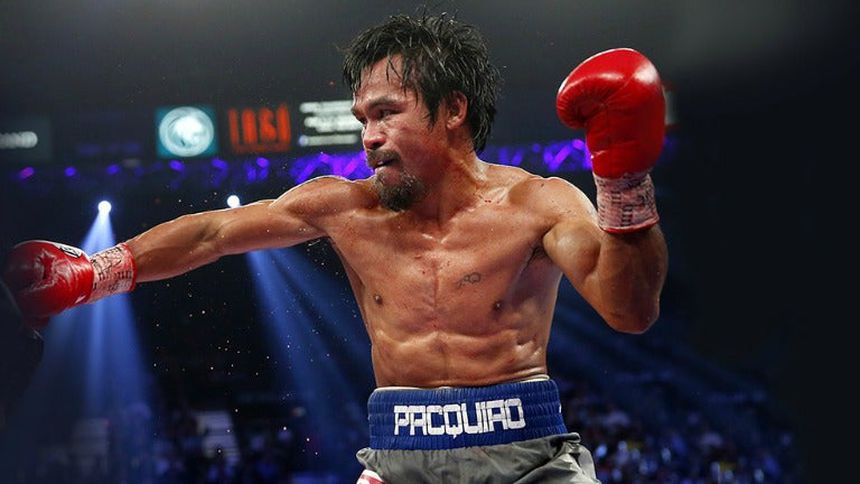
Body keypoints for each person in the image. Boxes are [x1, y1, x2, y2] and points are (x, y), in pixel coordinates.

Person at [2, 13, 668, 484]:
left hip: (528, 459)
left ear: (453, 109)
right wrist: (97, 271)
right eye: (362, 120)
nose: (368, 137)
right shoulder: (346, 208)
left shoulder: (540, 204)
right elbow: (212, 233)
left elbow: (630, 310)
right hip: (400, 461)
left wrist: (623, 182)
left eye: (386, 113)